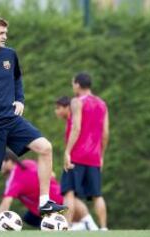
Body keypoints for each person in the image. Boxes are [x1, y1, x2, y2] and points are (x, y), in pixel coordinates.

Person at [0, 16, 66, 230]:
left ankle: (44, 202)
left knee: (45, 148)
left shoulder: (10, 55)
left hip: (12, 119)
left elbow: (17, 79)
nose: (5, 37)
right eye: (0, 33)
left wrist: (20, 99)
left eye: (6, 33)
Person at [55, 72, 109, 230]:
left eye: (73, 83)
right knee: (97, 195)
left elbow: (76, 127)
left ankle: (67, 227)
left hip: (77, 155)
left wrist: (67, 151)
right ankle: (104, 228)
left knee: (69, 192)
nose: (72, 86)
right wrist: (102, 155)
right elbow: (105, 133)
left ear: (78, 84)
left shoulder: (77, 102)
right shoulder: (102, 103)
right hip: (94, 156)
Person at [0, 150, 98, 230]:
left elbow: (6, 203)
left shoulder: (15, 178)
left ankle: (80, 227)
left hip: (51, 205)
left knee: (64, 220)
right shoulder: (28, 163)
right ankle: (85, 227)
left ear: (10, 161)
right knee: (29, 218)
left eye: (1, 161)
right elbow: (51, 174)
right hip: (57, 196)